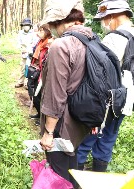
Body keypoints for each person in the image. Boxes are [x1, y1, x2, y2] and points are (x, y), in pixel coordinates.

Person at [39, 0, 91, 188]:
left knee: (58, 172)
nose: (51, 29)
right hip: (82, 120)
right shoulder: (92, 40)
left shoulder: (61, 46)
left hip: (62, 123)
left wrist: (48, 133)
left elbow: (55, 95)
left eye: (51, 25)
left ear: (58, 22)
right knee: (72, 166)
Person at [77, 0, 134, 172]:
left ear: (113, 17)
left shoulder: (114, 38)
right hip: (126, 99)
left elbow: (100, 74)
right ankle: (99, 178)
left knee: (85, 139)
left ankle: (74, 180)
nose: (103, 23)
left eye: (105, 18)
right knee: (108, 138)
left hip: (107, 99)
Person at [27, 24, 53, 126]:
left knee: (40, 95)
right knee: (33, 92)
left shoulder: (50, 43)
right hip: (35, 70)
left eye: (41, 31)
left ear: (47, 31)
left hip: (43, 74)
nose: (39, 33)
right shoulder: (40, 42)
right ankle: (39, 113)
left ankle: (44, 119)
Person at [15, 18, 36, 88]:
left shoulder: (33, 33)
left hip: (31, 54)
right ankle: (20, 82)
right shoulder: (20, 33)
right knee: (23, 68)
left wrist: (29, 50)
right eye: (25, 25)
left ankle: (27, 83)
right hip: (23, 53)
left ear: (30, 26)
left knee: (29, 68)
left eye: (27, 25)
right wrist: (21, 48)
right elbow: (18, 43)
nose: (26, 26)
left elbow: (34, 43)